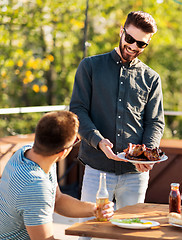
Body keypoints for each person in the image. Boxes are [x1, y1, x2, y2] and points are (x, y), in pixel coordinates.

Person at [69, 11, 164, 211]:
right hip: (97, 168)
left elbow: (155, 122)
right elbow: (78, 110)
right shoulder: (90, 66)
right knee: (89, 230)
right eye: (129, 39)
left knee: (130, 230)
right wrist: (98, 141)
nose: (133, 46)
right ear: (121, 32)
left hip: (135, 175)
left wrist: (146, 154)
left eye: (141, 44)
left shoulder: (152, 78)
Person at [0, 111, 114, 240]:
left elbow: (57, 200)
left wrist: (95, 209)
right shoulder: (35, 186)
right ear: (63, 153)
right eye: (76, 141)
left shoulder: (26, 152)